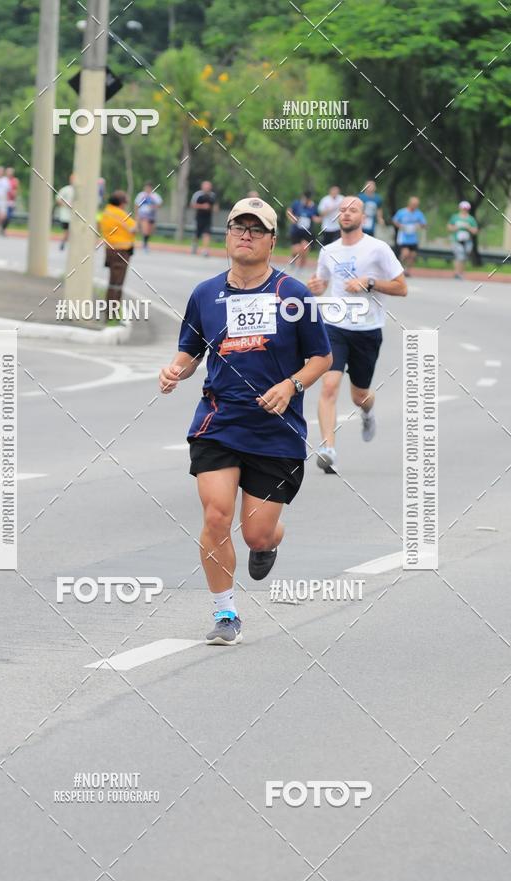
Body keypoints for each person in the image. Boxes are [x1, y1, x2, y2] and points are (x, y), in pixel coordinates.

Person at [158, 197, 332, 645]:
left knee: (255, 533)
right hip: (219, 421)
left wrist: (291, 385)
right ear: (228, 234)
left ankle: (270, 541)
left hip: (277, 431)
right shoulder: (205, 294)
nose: (246, 235)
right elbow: (191, 350)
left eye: (257, 229)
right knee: (216, 515)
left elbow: (321, 357)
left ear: (272, 241)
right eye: (239, 227)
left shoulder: (293, 295)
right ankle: (225, 613)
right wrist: (175, 368)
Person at [307, 196, 407, 474]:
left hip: (367, 331)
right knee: (328, 386)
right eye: (342, 210)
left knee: (359, 395)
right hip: (335, 326)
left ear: (363, 217)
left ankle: (367, 412)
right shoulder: (328, 251)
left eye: (353, 210)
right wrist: (315, 287)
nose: (346, 213)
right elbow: (323, 282)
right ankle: (328, 449)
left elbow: (402, 288)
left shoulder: (378, 249)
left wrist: (370, 282)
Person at [99, 190, 137, 319]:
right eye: (125, 202)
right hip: (121, 251)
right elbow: (134, 229)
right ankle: (112, 313)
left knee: (112, 282)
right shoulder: (119, 214)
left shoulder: (106, 212)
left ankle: (110, 311)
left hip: (110, 250)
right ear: (121, 203)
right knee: (117, 283)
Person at [392, 197, 426, 276]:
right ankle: (397, 268)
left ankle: (407, 271)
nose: (415, 206)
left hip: (413, 238)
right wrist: (400, 225)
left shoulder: (419, 213)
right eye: (413, 204)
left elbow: (424, 224)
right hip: (404, 238)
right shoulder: (402, 212)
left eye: (416, 205)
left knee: (412, 256)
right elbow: (394, 220)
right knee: (405, 254)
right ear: (409, 203)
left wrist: (419, 225)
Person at [287, 190, 319, 271]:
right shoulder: (297, 204)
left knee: (305, 249)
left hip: (307, 232)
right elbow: (288, 212)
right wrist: (293, 218)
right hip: (296, 231)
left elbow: (318, 217)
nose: (306, 201)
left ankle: (301, 268)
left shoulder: (313, 206)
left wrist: (315, 219)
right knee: (296, 250)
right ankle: (293, 260)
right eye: (305, 199)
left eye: (308, 199)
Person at [447, 201, 478, 279]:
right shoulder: (455, 217)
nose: (464, 210)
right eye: (463, 208)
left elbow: (475, 231)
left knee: (464, 257)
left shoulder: (471, 219)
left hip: (467, 241)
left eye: (466, 209)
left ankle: (461, 272)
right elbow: (449, 227)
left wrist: (468, 227)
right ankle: (457, 273)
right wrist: (456, 227)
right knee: (459, 256)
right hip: (457, 240)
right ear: (460, 208)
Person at [190, 180, 218, 257]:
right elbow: (192, 205)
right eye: (205, 186)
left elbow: (215, 205)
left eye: (208, 186)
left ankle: (205, 250)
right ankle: (194, 246)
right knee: (197, 234)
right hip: (198, 218)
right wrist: (203, 206)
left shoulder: (213, 195)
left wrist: (215, 209)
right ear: (202, 187)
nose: (207, 188)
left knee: (207, 233)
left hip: (208, 218)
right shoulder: (197, 195)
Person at [134, 182, 162, 251]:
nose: (148, 189)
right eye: (146, 187)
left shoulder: (155, 196)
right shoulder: (141, 195)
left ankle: (145, 241)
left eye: (149, 188)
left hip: (152, 214)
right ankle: (145, 244)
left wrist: (153, 206)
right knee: (145, 229)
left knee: (150, 230)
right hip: (143, 214)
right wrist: (136, 215)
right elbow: (136, 205)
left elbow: (159, 204)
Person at [56, 174, 75, 251]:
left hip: (75, 216)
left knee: (73, 231)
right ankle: (63, 243)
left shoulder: (79, 191)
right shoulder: (66, 189)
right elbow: (58, 199)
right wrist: (66, 205)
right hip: (66, 215)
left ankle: (67, 243)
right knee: (66, 231)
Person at [2, 167, 19, 234]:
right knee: (3, 215)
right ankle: (2, 229)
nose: (9, 173)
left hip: (11, 201)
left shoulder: (15, 180)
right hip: (3, 200)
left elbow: (15, 190)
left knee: (9, 216)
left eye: (10, 172)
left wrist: (14, 194)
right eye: (8, 172)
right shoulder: (3, 180)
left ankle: (4, 228)